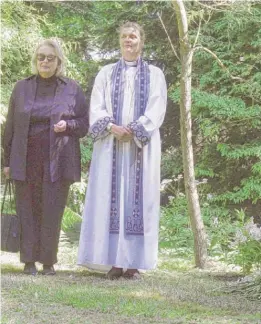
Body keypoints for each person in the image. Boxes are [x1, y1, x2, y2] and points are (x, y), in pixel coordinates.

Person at [77, 22, 167, 279]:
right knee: (111, 199)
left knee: (139, 201)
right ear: (120, 41)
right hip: (110, 146)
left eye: (133, 36)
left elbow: (157, 107)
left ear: (142, 41)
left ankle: (134, 263)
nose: (129, 40)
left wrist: (136, 129)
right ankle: (114, 262)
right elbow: (96, 106)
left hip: (141, 149)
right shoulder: (105, 73)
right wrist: (112, 127)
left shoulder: (155, 74)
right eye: (125, 37)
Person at [2, 39, 89, 275]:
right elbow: (9, 127)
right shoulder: (22, 87)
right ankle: (29, 260)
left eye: (50, 58)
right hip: (25, 158)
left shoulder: (71, 88)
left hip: (57, 160)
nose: (45, 61)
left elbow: (84, 124)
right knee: (27, 209)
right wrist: (7, 162)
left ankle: (48, 262)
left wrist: (67, 125)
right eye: (41, 57)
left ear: (59, 61)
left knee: (52, 209)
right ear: (35, 60)